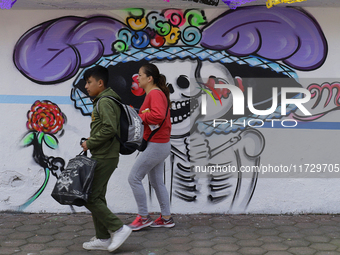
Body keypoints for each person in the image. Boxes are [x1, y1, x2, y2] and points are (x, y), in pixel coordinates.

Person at [80, 65, 132, 252]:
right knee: (97, 196)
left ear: (100, 83)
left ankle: (118, 228)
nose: (86, 86)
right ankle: (102, 238)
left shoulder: (104, 102)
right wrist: (91, 141)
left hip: (105, 155)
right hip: (103, 154)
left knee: (90, 197)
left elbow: (110, 129)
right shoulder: (104, 100)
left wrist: (90, 143)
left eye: (89, 82)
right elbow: (105, 128)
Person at [128, 63, 175, 231]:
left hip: (157, 144)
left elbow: (157, 116)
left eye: (140, 75)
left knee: (133, 178)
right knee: (156, 181)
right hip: (160, 144)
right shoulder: (155, 93)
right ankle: (166, 218)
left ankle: (143, 217)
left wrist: (140, 115)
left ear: (149, 78)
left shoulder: (155, 93)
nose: (137, 77)